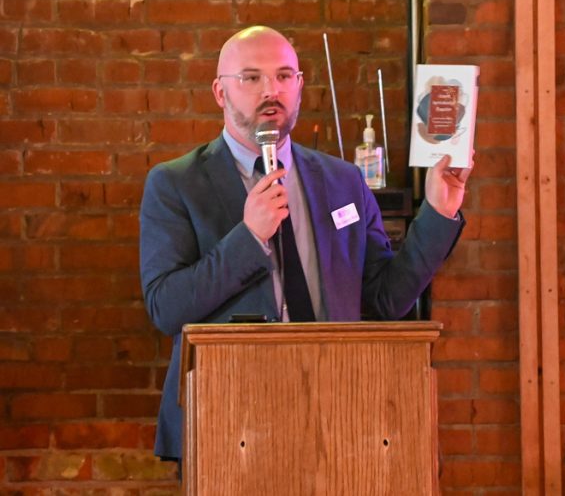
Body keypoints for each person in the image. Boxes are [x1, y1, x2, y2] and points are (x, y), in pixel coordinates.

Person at [139, 25, 472, 464]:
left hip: (337, 414)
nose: (270, 90)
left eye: (283, 76)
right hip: (228, 421)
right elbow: (167, 307)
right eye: (252, 78)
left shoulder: (342, 181)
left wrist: (438, 212)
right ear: (220, 92)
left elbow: (384, 299)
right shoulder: (176, 183)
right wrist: (250, 236)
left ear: (299, 86)